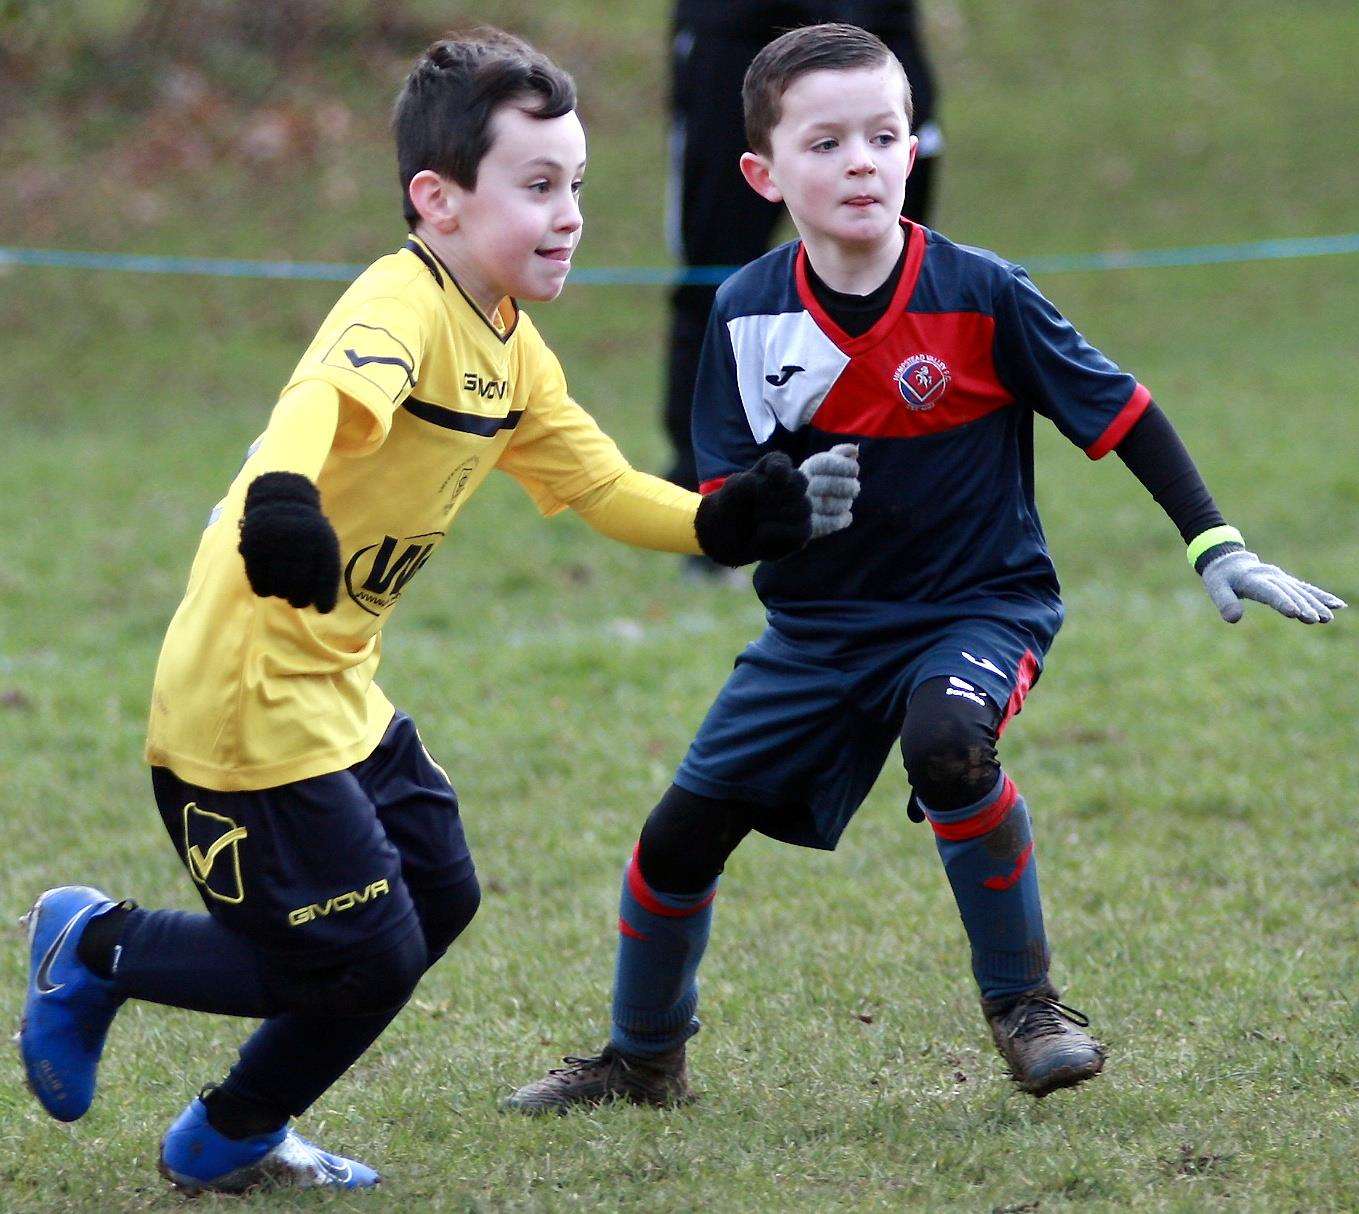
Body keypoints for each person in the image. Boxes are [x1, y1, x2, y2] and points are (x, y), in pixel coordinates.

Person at [17, 29, 857, 1194]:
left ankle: (177, 1049)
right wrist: (279, 498)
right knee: (357, 960)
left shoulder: (512, 347)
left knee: (435, 896)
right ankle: (132, 999)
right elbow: (318, 399)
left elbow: (601, 484)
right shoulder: (400, 303)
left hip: (336, 688)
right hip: (243, 702)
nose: (567, 215)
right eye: (536, 186)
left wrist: (725, 523)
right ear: (439, 199)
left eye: (576, 187)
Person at [504, 22, 1344, 1114]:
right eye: (826, 142)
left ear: (913, 148)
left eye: (883, 134)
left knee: (947, 743)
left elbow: (1124, 411)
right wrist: (777, 509)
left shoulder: (983, 293)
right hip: (816, 633)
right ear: (763, 172)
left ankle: (1028, 1008)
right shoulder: (744, 311)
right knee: (676, 839)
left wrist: (1214, 541)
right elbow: (720, 505)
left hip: (975, 608)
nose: (860, 160)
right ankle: (641, 1057)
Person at [663, 1, 940, 577]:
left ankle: (919, 480)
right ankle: (712, 497)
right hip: (734, 36)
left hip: (873, 26)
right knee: (712, 277)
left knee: (910, 281)